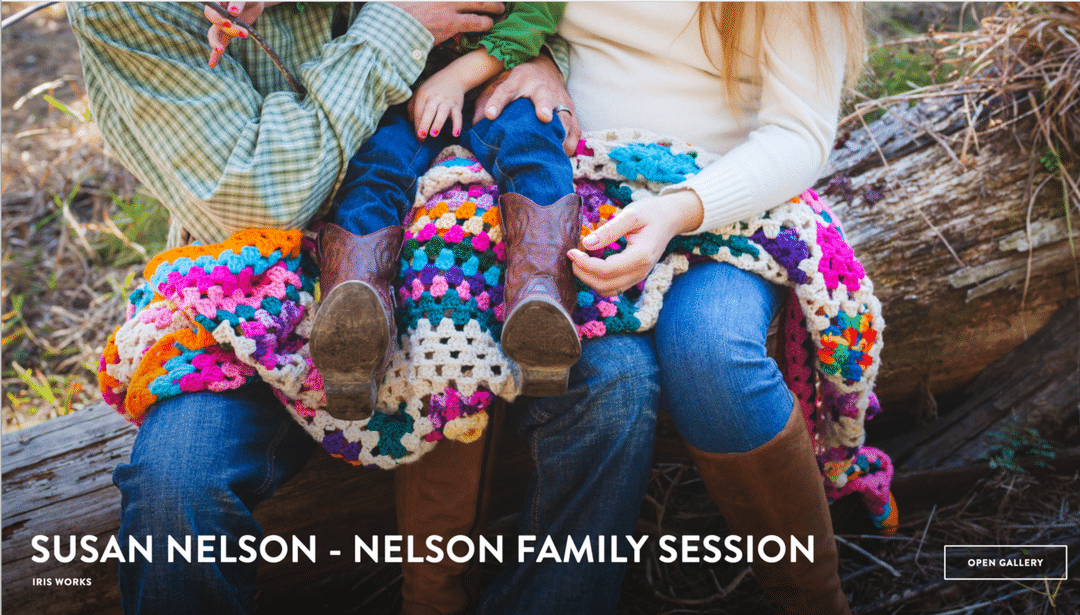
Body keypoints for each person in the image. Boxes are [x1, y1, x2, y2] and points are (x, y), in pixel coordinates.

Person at [71, 3, 658, 615]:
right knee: (176, 482)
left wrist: (527, 58)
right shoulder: (129, 8)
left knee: (618, 381)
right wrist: (399, 25)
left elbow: (537, 14)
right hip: (257, 296)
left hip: (469, 244)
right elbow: (261, 203)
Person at [475, 3, 867, 614]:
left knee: (711, 352)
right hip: (574, 189)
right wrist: (539, 59)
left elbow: (800, 134)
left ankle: (815, 602)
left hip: (725, 203)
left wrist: (679, 210)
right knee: (609, 377)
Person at [312, 2, 582, 421]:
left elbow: (533, 21)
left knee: (533, 147)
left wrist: (456, 77)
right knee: (377, 167)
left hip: (499, 82)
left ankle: (542, 296)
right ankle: (353, 314)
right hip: (409, 94)